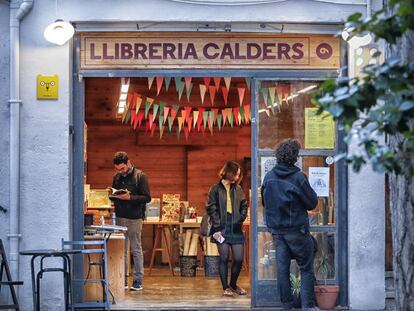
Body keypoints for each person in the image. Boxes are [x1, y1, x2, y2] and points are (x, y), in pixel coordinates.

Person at [262, 139, 318, 311]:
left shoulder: (269, 177)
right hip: (297, 231)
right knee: (306, 267)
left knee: (282, 269)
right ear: (294, 157)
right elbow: (312, 202)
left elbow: (265, 203)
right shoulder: (298, 177)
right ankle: (308, 306)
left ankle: (286, 306)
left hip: (278, 232)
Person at [109, 151, 151, 291]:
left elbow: (147, 197)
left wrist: (130, 198)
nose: (121, 171)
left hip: (134, 218)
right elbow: (114, 196)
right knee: (122, 249)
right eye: (118, 169)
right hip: (120, 216)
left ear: (128, 163)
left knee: (136, 249)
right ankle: (123, 280)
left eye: (122, 168)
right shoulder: (117, 177)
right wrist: (111, 194)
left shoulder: (140, 176)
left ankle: (138, 281)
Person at [206, 161, 249, 297]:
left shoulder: (238, 189)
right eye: (236, 174)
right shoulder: (215, 189)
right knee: (224, 258)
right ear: (229, 173)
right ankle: (226, 288)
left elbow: (244, 205)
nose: (237, 177)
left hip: (235, 227)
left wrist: (240, 218)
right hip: (221, 227)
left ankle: (233, 284)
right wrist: (217, 227)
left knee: (238, 258)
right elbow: (211, 208)